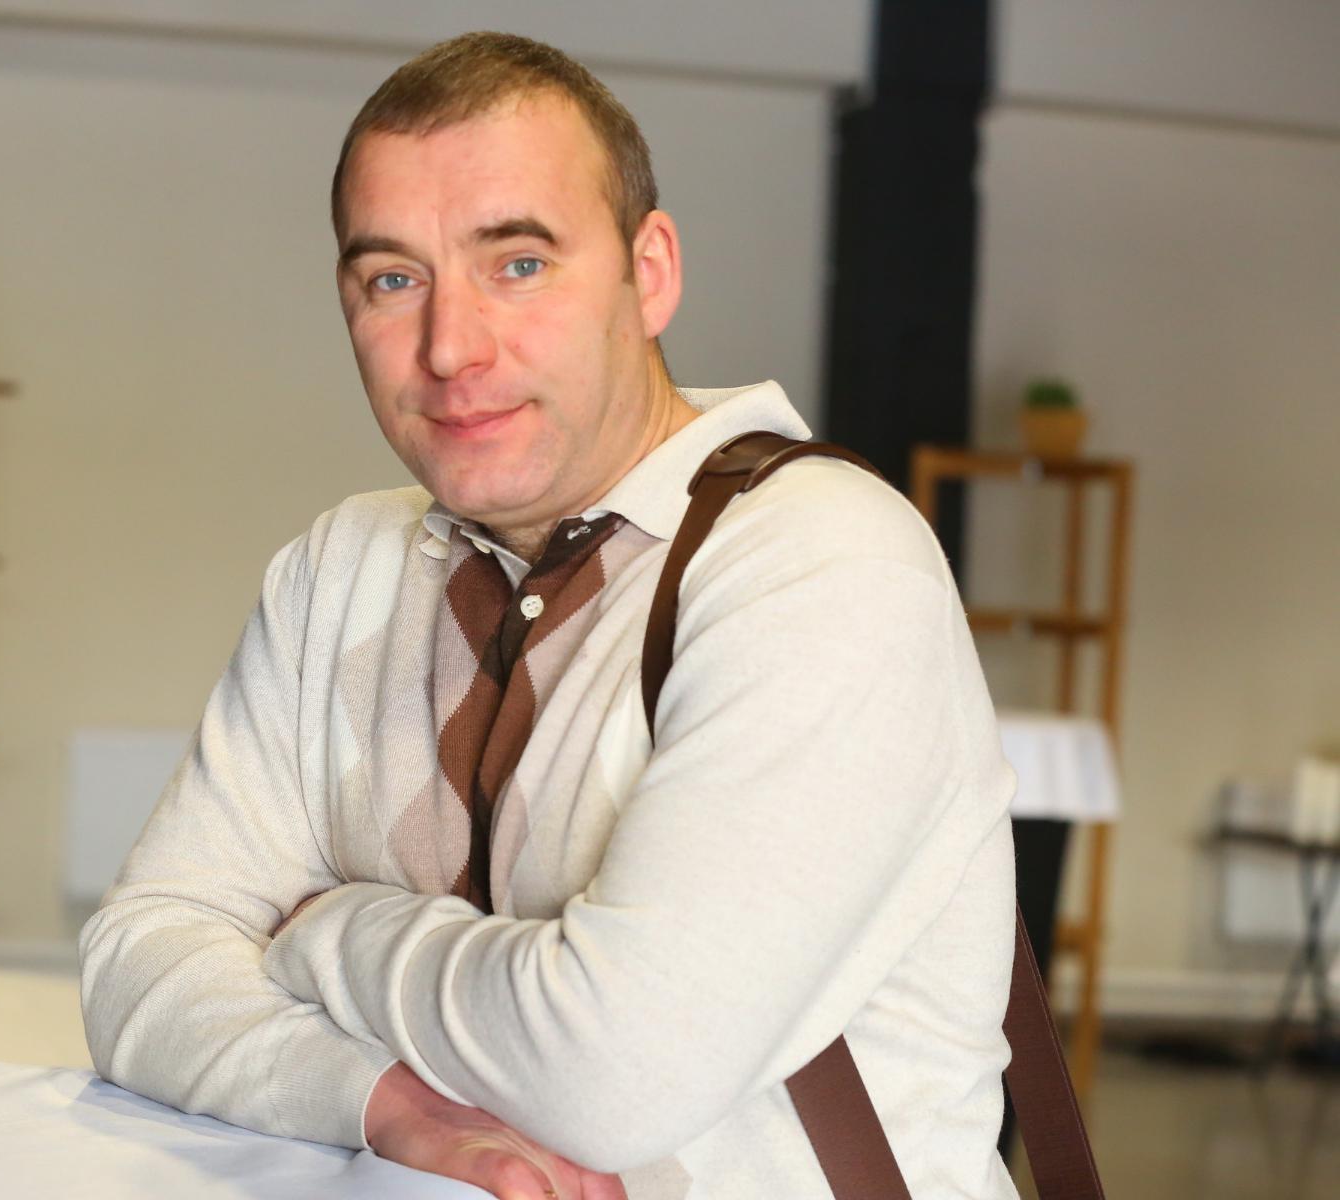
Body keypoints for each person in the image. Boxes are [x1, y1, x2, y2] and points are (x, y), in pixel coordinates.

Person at [81, 31, 1018, 1200]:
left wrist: (327, 929)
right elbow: (136, 961)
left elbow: (613, 1073)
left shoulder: (820, 562)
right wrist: (386, 1105)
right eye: (393, 280)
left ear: (650, 273)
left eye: (518, 263)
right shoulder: (339, 568)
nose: (450, 348)